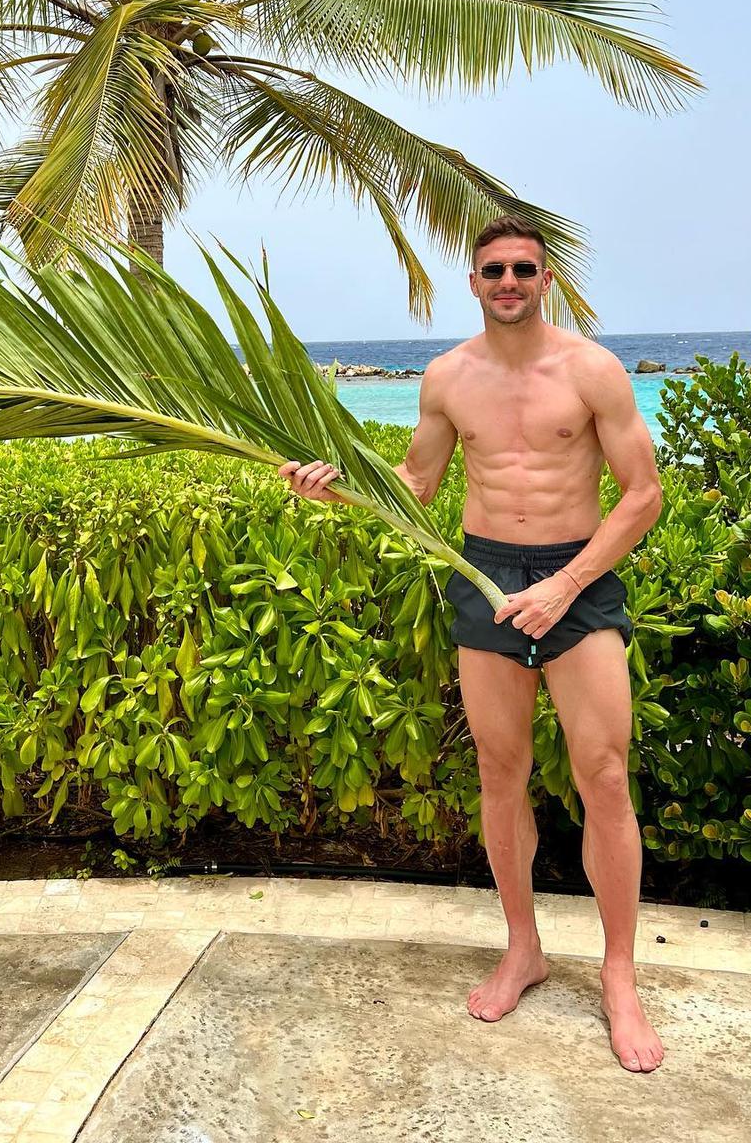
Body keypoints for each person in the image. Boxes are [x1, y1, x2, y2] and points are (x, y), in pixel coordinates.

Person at [278, 214, 665, 1073]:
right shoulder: (448, 376)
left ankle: (619, 974)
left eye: (524, 268)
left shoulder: (593, 371)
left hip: (576, 577)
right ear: (474, 282)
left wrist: (565, 585)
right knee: (500, 771)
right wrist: (331, 490)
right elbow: (416, 484)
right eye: (495, 270)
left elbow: (642, 495)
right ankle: (523, 948)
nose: (510, 282)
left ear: (546, 279)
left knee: (605, 775)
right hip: (484, 573)